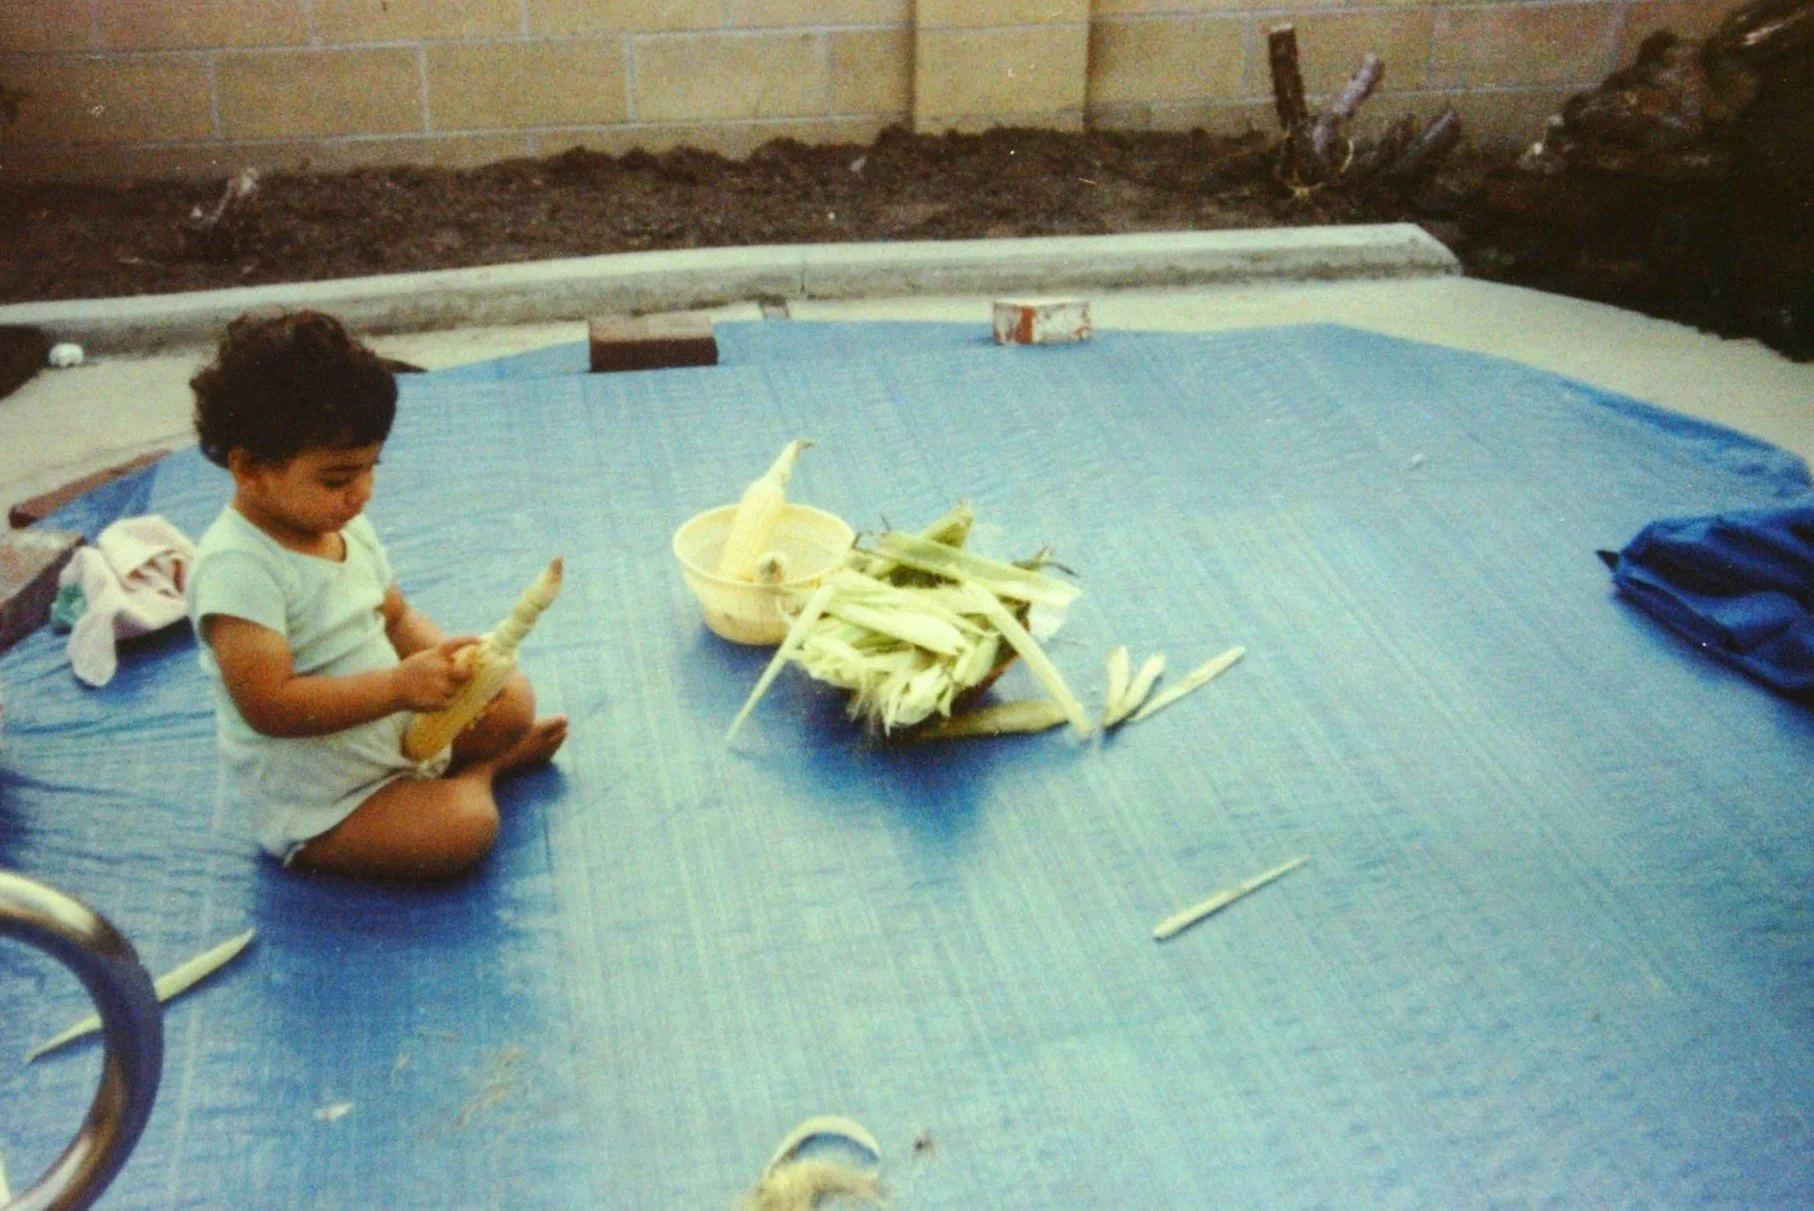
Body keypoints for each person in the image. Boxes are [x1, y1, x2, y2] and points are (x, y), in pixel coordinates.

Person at [185, 310, 567, 879]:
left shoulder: (340, 526)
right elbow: (269, 704)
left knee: (512, 697)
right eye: (338, 478)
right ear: (250, 468)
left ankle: (455, 768)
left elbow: (395, 616)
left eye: (371, 467)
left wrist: (455, 671)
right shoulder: (238, 568)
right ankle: (484, 772)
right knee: (463, 827)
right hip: (328, 798)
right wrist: (397, 688)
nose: (362, 492)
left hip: (397, 734)